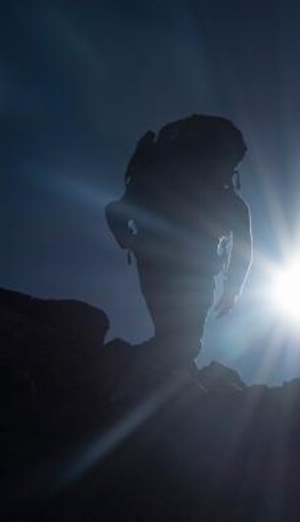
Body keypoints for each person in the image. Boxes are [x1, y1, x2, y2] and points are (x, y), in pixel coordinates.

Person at [105, 115, 253, 371]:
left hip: (153, 264)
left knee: (176, 341)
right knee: (183, 345)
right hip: (194, 272)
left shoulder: (158, 178)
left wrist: (130, 241)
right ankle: (133, 374)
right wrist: (233, 288)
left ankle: (134, 373)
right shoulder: (231, 203)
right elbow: (244, 250)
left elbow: (115, 210)